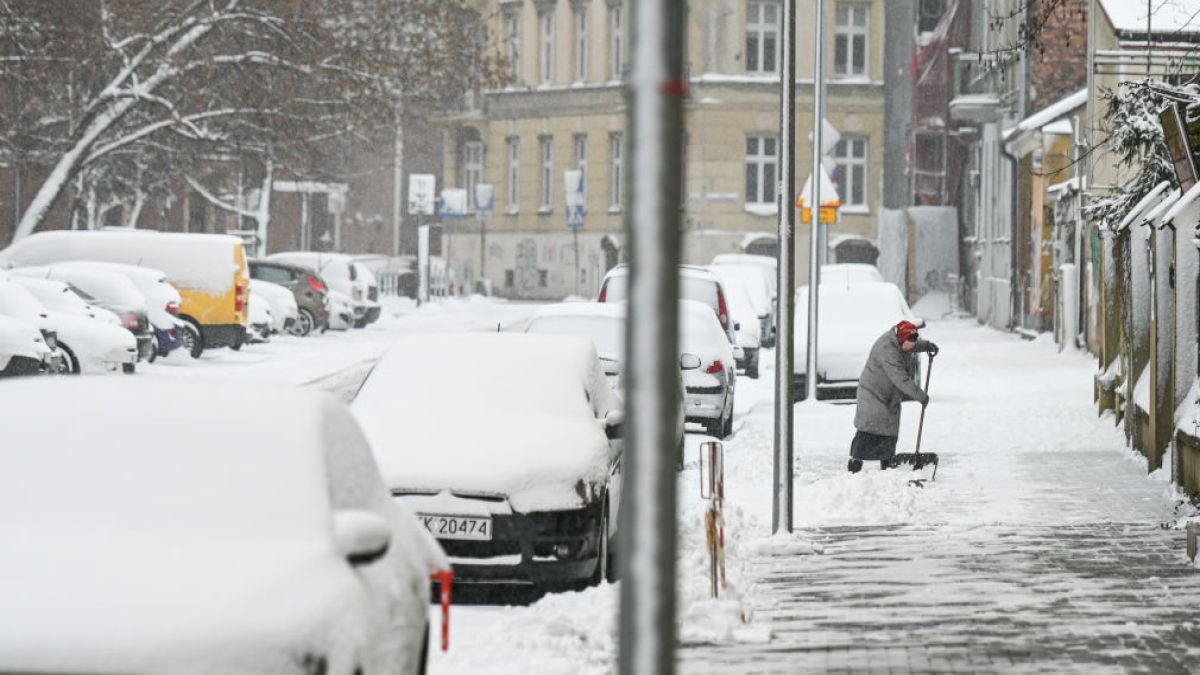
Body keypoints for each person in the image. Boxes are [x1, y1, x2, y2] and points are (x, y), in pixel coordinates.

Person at [848, 320, 939, 473]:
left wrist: (926, 345)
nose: (911, 346)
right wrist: (920, 396)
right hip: (873, 393)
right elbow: (900, 378)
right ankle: (855, 462)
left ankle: (887, 461)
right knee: (869, 428)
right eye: (910, 342)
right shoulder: (887, 350)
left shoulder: (900, 339)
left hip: (888, 394)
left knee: (889, 429)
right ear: (902, 338)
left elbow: (910, 343)